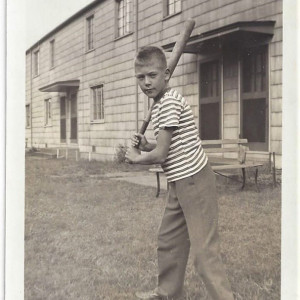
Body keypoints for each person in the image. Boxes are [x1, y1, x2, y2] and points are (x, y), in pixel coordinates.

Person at [125, 46, 234, 300]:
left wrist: (137, 157)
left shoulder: (170, 102)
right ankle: (167, 293)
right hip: (178, 180)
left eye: (152, 75)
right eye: (140, 77)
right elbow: (170, 147)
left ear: (166, 73)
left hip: (194, 179)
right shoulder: (161, 104)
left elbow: (161, 155)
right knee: (169, 240)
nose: (146, 82)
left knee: (204, 253)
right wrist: (146, 146)